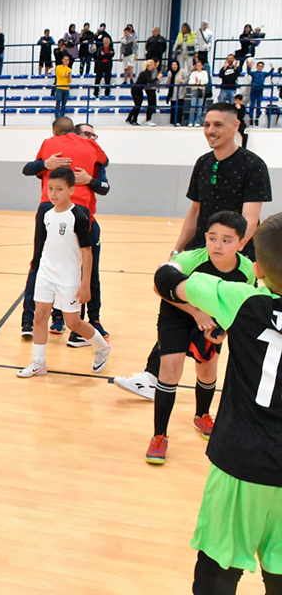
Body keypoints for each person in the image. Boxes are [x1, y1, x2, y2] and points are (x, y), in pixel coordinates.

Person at [152, 214, 282, 594]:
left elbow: (166, 279)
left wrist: (180, 259)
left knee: (216, 575)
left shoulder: (242, 299)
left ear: (258, 268)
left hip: (239, 461)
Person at [114, 103, 272, 399]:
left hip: (234, 260)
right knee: (176, 308)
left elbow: (251, 219)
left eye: (218, 125)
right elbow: (195, 211)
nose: (210, 130)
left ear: (235, 126)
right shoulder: (203, 163)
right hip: (200, 252)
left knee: (227, 325)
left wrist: (232, 252)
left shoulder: (253, 165)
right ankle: (154, 376)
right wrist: (177, 250)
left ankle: (246, 390)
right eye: (207, 124)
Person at [145, 212, 255, 465]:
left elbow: (239, 306)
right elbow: (159, 287)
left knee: (207, 370)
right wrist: (195, 312)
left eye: (227, 240)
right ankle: (159, 436)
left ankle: (201, 415)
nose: (218, 245)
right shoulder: (187, 260)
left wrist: (223, 330)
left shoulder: (247, 271)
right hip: (177, 313)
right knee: (170, 369)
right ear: (205, 237)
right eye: (212, 238)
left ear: (241, 243)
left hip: (211, 318)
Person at [17, 166, 111, 378]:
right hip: (46, 274)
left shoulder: (78, 216)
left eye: (59, 189)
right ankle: (38, 363)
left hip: (68, 277)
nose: (53, 193)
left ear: (71, 190)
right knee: (40, 316)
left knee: (73, 323)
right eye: (50, 188)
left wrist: (85, 284)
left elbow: (87, 253)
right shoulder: (46, 214)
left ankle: (102, 347)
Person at [21, 118, 110, 340]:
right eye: (87, 134)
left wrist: (89, 179)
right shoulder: (89, 148)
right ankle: (67, 324)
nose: (90, 138)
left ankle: (34, 321)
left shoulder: (50, 144)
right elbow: (105, 160)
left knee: (50, 263)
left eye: (93, 135)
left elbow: (104, 185)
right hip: (74, 210)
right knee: (75, 263)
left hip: (58, 209)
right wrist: (46, 164)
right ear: (76, 132)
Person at [126, 59, 159, 126]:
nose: (153, 66)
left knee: (138, 105)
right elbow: (149, 81)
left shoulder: (148, 72)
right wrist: (157, 78)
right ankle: (129, 118)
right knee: (137, 105)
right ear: (149, 65)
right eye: (152, 65)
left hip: (139, 90)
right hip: (136, 90)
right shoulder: (145, 72)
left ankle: (133, 119)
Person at [246, 59, 274, 125]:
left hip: (260, 91)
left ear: (263, 67)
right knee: (252, 105)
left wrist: (272, 69)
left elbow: (269, 73)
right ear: (256, 67)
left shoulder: (264, 73)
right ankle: (251, 118)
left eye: (261, 66)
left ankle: (257, 118)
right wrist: (248, 66)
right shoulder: (254, 73)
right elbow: (249, 72)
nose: (259, 67)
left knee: (258, 105)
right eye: (259, 66)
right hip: (253, 91)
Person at [165, 60, 188, 126]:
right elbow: (168, 82)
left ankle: (178, 122)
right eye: (173, 65)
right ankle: (172, 122)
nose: (174, 66)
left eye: (175, 65)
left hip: (180, 93)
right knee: (173, 108)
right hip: (172, 93)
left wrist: (182, 81)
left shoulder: (182, 71)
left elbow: (187, 79)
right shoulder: (170, 72)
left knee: (179, 108)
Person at [187, 60, 209, 126]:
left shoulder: (204, 73)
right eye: (197, 66)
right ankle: (191, 121)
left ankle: (197, 121)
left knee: (199, 106)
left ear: (202, 66)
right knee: (192, 106)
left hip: (201, 90)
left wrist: (198, 81)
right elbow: (190, 82)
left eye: (200, 65)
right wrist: (196, 82)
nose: (198, 67)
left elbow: (206, 81)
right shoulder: (193, 73)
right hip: (194, 89)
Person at [54, 55, 72, 119]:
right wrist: (66, 75)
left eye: (67, 60)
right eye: (65, 59)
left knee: (64, 105)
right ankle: (57, 118)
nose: (66, 61)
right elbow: (60, 75)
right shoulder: (58, 67)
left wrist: (68, 76)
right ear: (62, 60)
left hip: (66, 88)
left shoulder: (69, 69)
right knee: (58, 102)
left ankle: (62, 117)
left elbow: (69, 80)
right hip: (59, 87)